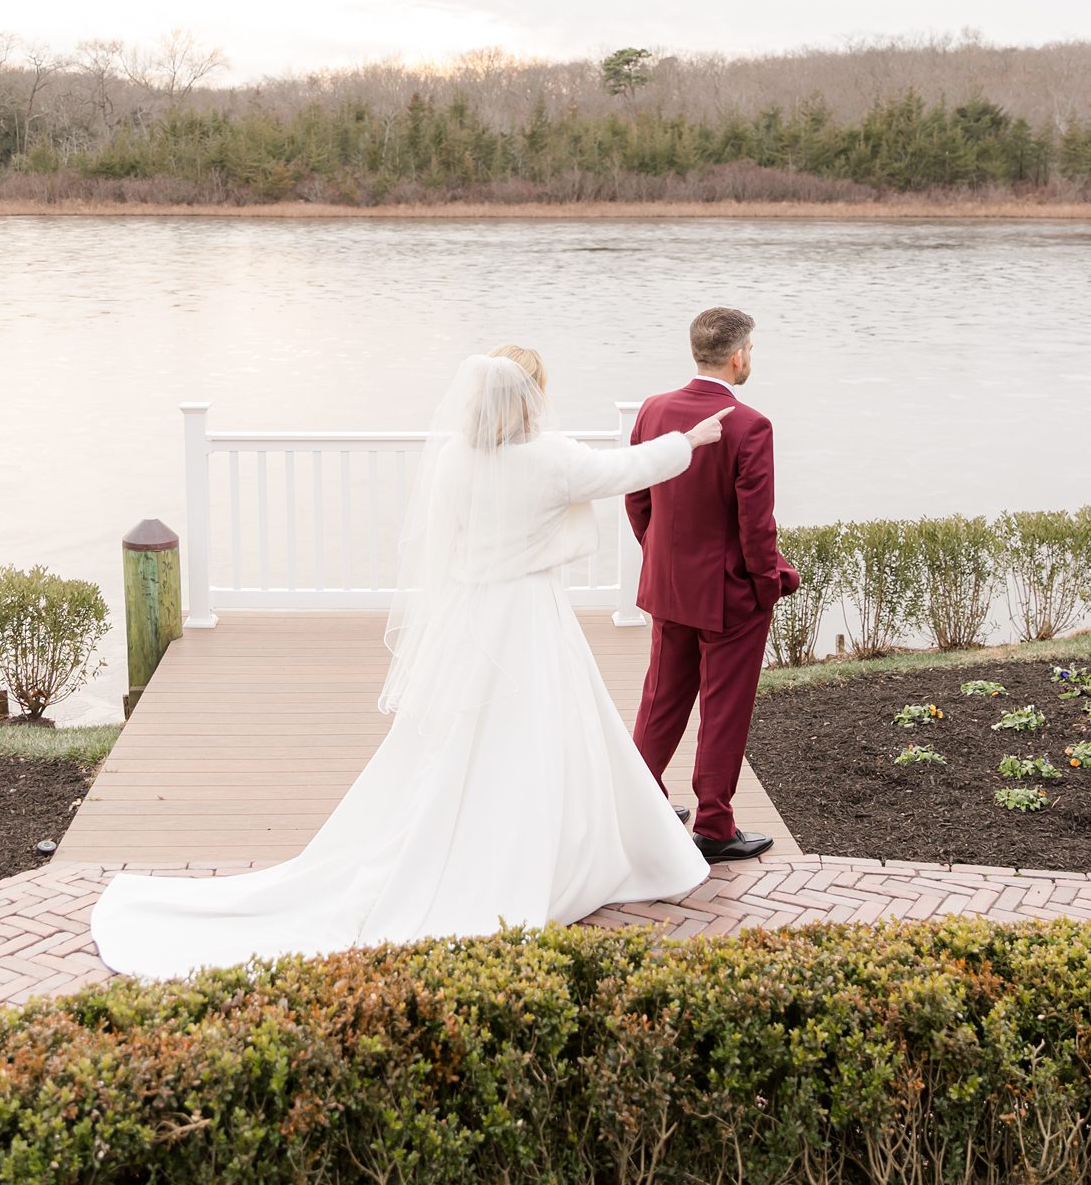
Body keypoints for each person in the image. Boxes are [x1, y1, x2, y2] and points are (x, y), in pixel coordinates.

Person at [90, 346, 728, 977]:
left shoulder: (456, 458)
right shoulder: (550, 460)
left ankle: (463, 842)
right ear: (534, 397)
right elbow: (627, 470)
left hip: (475, 618)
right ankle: (547, 854)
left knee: (460, 741)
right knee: (541, 735)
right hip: (530, 617)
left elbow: (443, 543)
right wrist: (691, 441)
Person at [626, 307, 797, 862]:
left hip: (667, 585)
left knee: (661, 697)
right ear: (739, 354)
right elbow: (756, 525)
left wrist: (659, 555)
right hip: (728, 597)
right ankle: (716, 827)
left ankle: (640, 799)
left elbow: (637, 495)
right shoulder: (750, 424)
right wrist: (769, 584)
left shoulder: (653, 410)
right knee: (723, 708)